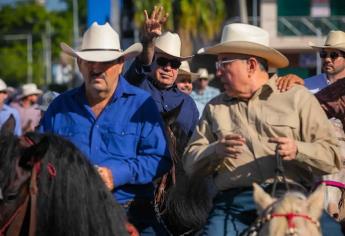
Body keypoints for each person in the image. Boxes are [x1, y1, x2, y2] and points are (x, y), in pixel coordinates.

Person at [182, 23, 342, 236]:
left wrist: (298, 150)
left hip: (292, 199)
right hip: (234, 204)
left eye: (224, 62)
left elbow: (333, 156)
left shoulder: (297, 98)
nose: (217, 71)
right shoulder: (215, 107)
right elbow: (189, 164)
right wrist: (215, 151)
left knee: (333, 233)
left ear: (251, 65)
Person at [39, 22, 171, 235]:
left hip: (131, 212)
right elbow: (40, 160)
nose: (96, 68)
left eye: (105, 62)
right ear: (80, 63)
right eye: (90, 61)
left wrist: (116, 174)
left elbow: (160, 159)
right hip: (71, 214)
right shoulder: (59, 107)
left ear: (121, 64)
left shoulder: (142, 105)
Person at [125, 6, 199, 138]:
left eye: (175, 64)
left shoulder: (189, 104)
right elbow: (141, 65)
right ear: (153, 60)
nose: (168, 68)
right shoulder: (137, 85)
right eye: (163, 61)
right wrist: (148, 40)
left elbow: (194, 144)